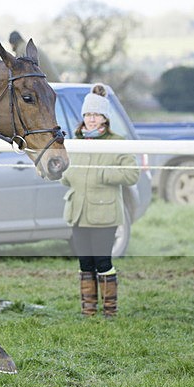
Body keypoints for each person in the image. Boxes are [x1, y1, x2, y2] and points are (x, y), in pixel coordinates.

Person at [61, 85, 139, 317]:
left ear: (105, 118)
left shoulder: (118, 141)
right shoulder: (74, 141)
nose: (91, 119)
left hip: (105, 214)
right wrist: (61, 173)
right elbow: (67, 176)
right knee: (85, 263)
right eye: (88, 115)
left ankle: (109, 311)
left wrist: (103, 174)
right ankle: (88, 311)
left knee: (103, 262)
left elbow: (131, 175)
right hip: (78, 211)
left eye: (96, 115)